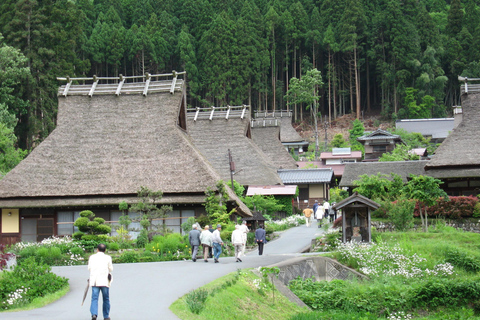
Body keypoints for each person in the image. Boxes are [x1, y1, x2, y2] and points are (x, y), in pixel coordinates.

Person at [88, 243, 113, 320]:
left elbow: (89, 268)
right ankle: (106, 316)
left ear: (97, 249)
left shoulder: (92, 257)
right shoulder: (108, 258)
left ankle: (94, 314)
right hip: (104, 281)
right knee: (106, 298)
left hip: (95, 281)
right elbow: (111, 269)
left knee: (94, 298)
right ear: (105, 250)